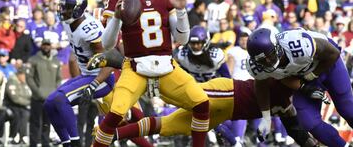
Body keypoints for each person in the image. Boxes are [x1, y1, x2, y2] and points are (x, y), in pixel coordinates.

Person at [91, 0, 210, 147]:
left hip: (166, 66)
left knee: (201, 102)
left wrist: (181, 13)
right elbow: (107, 44)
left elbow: (182, 39)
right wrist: (117, 19)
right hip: (135, 67)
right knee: (115, 113)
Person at [94, 77, 322, 147]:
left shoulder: (288, 106)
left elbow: (297, 132)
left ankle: (109, 135)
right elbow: (265, 80)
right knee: (174, 95)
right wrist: (264, 115)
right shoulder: (282, 83)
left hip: (225, 113)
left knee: (168, 126)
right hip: (227, 93)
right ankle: (142, 79)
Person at [246, 27, 353, 147]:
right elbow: (261, 85)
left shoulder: (297, 43)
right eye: (262, 61)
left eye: (270, 55)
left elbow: (333, 53)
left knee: (347, 110)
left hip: (327, 64)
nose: (268, 62)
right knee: (309, 121)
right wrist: (266, 117)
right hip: (302, 79)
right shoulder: (257, 67)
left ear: (277, 47)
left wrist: (311, 76)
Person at [43, 0, 121, 147]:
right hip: (86, 75)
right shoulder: (68, 23)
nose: (62, 11)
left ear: (78, 9)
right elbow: (74, 56)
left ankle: (76, 143)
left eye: (67, 8)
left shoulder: (90, 29)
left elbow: (110, 62)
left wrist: (93, 85)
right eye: (62, 7)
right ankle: (67, 143)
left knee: (60, 99)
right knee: (49, 103)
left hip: (101, 79)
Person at [26, 38, 62, 147]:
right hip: (37, 98)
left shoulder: (56, 61)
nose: (46, 47)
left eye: (48, 45)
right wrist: (37, 92)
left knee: (47, 124)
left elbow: (59, 79)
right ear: (41, 46)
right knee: (35, 123)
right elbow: (29, 78)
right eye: (44, 45)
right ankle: (33, 144)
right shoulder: (33, 60)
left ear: (51, 46)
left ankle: (45, 144)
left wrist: (55, 92)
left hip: (50, 99)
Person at [5, 67, 31, 145]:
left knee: (26, 113)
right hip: (10, 105)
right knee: (17, 114)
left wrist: (29, 103)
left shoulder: (24, 82)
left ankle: (23, 137)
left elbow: (28, 95)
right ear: (20, 74)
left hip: (22, 105)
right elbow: (15, 98)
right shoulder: (12, 81)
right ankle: (12, 137)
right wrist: (28, 103)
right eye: (24, 75)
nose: (26, 77)